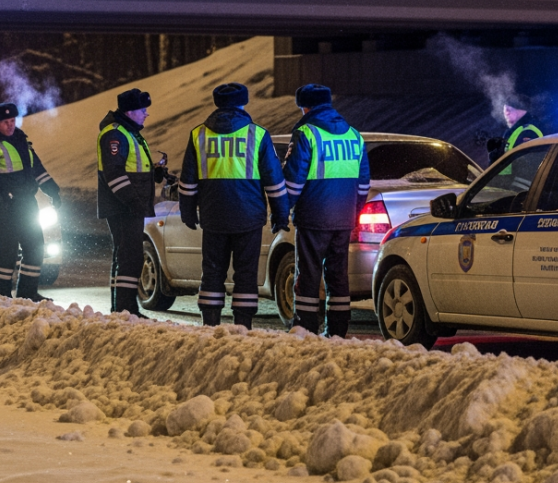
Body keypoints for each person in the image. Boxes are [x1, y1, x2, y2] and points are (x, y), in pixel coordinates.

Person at [179, 83, 288, 330]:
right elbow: (274, 180)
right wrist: (280, 214)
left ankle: (210, 324)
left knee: (212, 271)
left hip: (213, 216)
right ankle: (243, 325)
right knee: (246, 273)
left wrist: (188, 211)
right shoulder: (257, 135)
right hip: (249, 217)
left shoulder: (198, 135)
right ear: (243, 103)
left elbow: (188, 181)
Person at [282, 84, 369, 337]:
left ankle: (306, 326)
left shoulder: (305, 133)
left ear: (305, 107)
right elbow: (363, 183)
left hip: (312, 217)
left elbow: (293, 182)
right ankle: (338, 330)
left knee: (308, 275)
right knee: (338, 275)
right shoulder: (354, 135)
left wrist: (282, 209)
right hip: (344, 219)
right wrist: (353, 212)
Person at [0, 103, 62, 301]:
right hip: (7, 205)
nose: (10, 125)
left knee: (35, 246)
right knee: (8, 250)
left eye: (12, 121)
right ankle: (2, 295)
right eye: (5, 122)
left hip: (27, 203)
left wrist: (53, 190)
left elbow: (37, 169)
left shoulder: (22, 140)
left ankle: (27, 292)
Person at [97, 89, 166, 315]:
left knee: (126, 256)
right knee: (129, 257)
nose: (146, 114)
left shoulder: (129, 132)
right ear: (130, 111)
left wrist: (154, 173)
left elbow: (131, 167)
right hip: (123, 207)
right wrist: (133, 202)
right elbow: (114, 173)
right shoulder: (115, 134)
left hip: (127, 205)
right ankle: (125, 309)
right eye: (143, 110)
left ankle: (121, 308)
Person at [487, 98, 544, 165]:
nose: (506, 114)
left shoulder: (527, 130)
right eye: (504, 111)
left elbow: (520, 163)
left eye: (507, 109)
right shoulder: (519, 130)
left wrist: (496, 158)